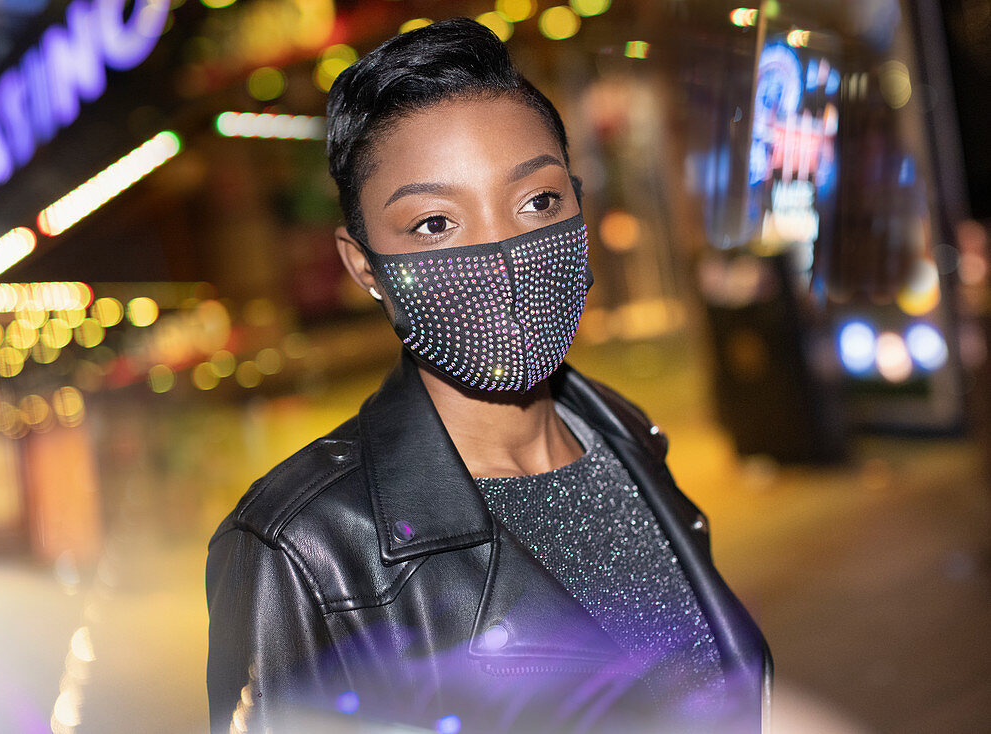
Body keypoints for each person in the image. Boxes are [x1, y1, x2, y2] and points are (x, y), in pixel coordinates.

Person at [206, 17, 772, 734]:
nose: (504, 255)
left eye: (537, 202)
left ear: (577, 203)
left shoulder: (625, 436)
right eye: (435, 224)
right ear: (364, 268)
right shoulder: (302, 549)